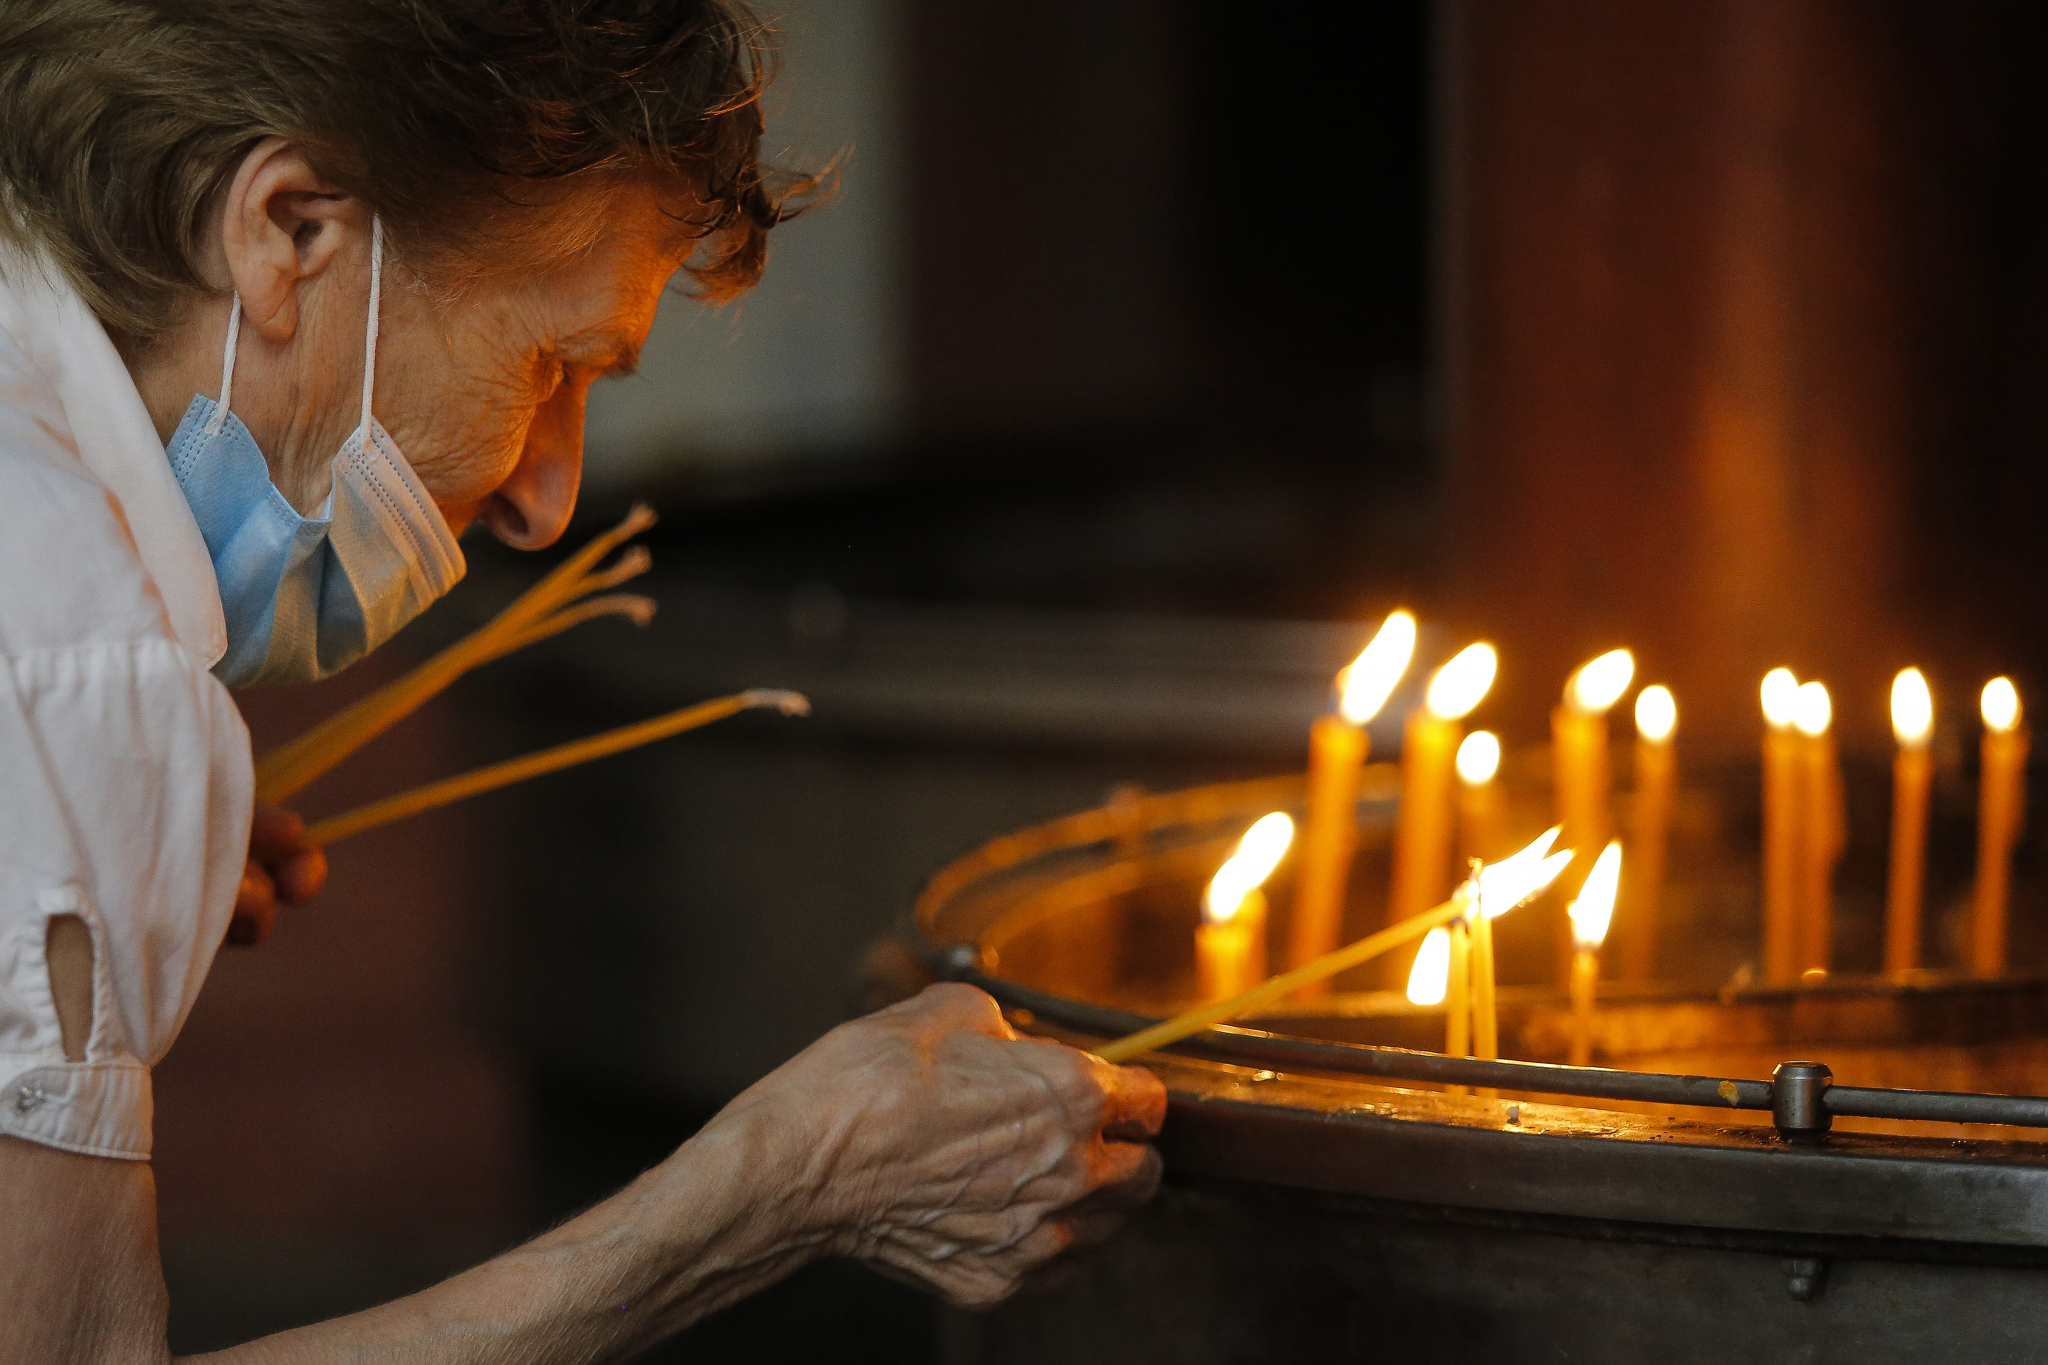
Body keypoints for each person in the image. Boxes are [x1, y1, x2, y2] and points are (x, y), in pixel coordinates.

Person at [0, 2, 1166, 1359]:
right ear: (289, 232)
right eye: (549, 361)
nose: (548, 500)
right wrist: (774, 1189)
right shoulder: (79, 656)